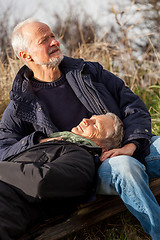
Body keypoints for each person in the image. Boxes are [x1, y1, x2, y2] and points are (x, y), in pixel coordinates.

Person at [0, 18, 159, 239]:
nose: (54, 42)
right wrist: (41, 142)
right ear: (26, 56)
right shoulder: (20, 105)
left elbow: (133, 106)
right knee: (125, 167)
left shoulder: (87, 71)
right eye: (44, 40)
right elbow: (3, 150)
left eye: (53, 36)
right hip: (93, 169)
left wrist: (132, 145)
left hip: (130, 145)